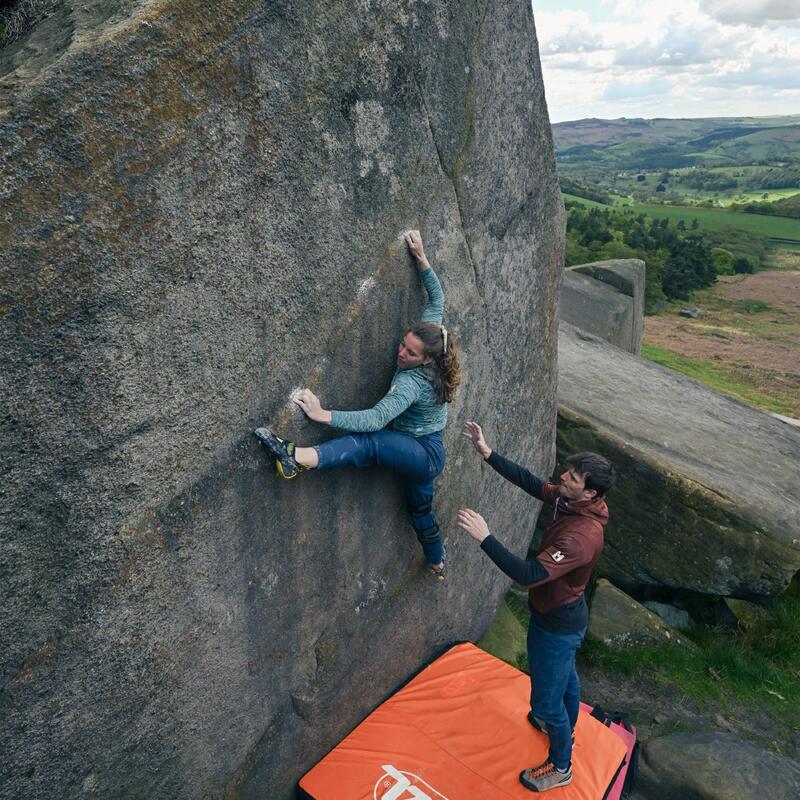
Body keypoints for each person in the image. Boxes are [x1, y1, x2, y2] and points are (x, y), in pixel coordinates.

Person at [254, 231, 461, 578]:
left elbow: (377, 417)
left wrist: (322, 415)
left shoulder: (412, 384)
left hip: (424, 453)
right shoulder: (433, 337)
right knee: (419, 507)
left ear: (427, 361)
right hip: (420, 448)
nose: (401, 352)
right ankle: (437, 560)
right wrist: (422, 258)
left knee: (377, 455)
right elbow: (437, 298)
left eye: (410, 353)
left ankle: (296, 458)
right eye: (403, 343)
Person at [458, 421, 615, 793]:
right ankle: (564, 726)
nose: (563, 477)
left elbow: (528, 574)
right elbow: (533, 483)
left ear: (589, 491)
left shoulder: (582, 537)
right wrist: (488, 453)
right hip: (564, 618)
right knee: (566, 679)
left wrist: (486, 538)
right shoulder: (572, 498)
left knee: (546, 703)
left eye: (572, 477)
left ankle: (562, 765)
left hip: (556, 624)